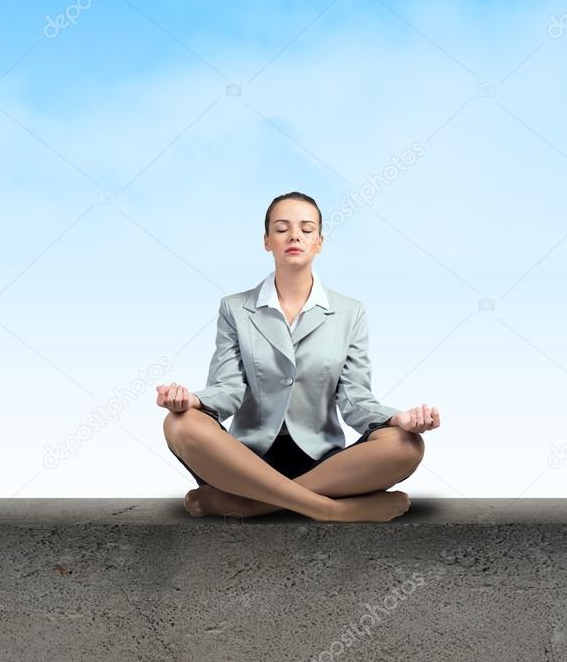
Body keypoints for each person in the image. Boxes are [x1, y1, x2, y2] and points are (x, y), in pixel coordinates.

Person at [159, 191, 440, 522]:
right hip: (245, 461)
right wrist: (191, 400)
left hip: (323, 464)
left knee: (406, 445)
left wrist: (398, 419)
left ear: (319, 242)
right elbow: (227, 388)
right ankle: (330, 509)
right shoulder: (235, 308)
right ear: (267, 241)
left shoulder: (350, 312)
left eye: (307, 229)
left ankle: (249, 505)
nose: (295, 236)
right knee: (179, 424)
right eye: (282, 228)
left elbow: (354, 398)